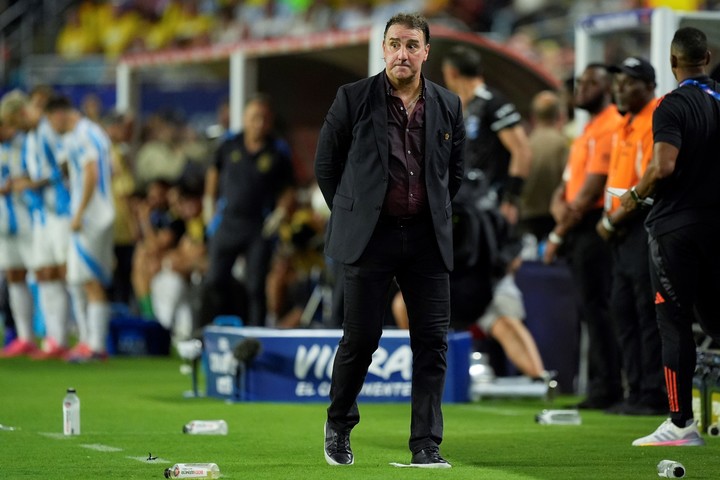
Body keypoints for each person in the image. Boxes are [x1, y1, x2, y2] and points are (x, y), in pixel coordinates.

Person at [315, 13, 464, 468]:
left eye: (412, 45)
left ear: (426, 52)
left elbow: (453, 174)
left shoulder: (449, 105)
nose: (403, 53)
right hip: (370, 239)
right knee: (361, 339)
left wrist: (425, 208)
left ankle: (426, 443)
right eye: (395, 44)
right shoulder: (352, 98)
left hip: (426, 239)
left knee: (432, 343)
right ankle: (339, 425)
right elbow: (327, 166)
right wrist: (356, 212)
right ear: (383, 49)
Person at [623, 27, 719, 447]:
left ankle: (681, 424)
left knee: (674, 323)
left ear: (673, 62)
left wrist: (633, 195)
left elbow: (662, 166)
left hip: (676, 228)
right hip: (719, 227)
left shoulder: (672, 104)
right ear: (709, 57)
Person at [543, 64, 624, 410]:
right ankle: (600, 385)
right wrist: (558, 204)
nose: (581, 88)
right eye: (580, 82)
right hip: (577, 224)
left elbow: (592, 186)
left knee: (598, 308)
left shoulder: (609, 125)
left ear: (607, 89)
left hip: (591, 225)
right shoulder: (586, 128)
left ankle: (607, 387)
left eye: (591, 83)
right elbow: (568, 181)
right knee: (590, 308)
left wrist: (558, 232)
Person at [596, 57, 665, 416]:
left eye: (629, 82)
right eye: (618, 81)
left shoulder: (656, 117)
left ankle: (652, 393)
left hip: (642, 222)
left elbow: (653, 177)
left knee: (644, 310)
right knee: (623, 310)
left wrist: (615, 219)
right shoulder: (626, 123)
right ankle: (635, 389)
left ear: (650, 86)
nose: (619, 88)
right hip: (621, 229)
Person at [201, 95, 295, 328]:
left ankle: (255, 333)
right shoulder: (228, 145)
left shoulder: (277, 151)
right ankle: (211, 329)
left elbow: (289, 190)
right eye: (254, 118)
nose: (259, 124)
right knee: (214, 280)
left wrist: (279, 215)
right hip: (227, 222)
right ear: (244, 119)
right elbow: (212, 177)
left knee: (256, 285)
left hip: (258, 226)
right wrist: (209, 209)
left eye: (263, 119)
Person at [0, 89, 72, 359]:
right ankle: (30, 337)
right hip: (22, 217)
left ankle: (62, 337)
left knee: (57, 272)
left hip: (40, 213)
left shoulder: (41, 133)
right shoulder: (31, 135)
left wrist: (25, 183)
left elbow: (60, 167)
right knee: (29, 274)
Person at [44, 95, 115, 362]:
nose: (52, 127)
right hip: (91, 213)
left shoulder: (85, 134)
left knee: (90, 280)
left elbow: (91, 173)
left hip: (92, 217)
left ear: (60, 114)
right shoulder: (84, 133)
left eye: (52, 120)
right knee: (76, 279)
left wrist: (80, 211)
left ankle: (96, 345)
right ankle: (87, 340)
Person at [441, 44, 531, 226]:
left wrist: (511, 200)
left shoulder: (493, 103)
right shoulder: (459, 107)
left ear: (451, 72)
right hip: (464, 200)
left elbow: (522, 152)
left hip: (491, 202)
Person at [519, 90, 568, 241]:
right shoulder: (562, 143)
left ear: (533, 117)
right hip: (553, 215)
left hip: (528, 214)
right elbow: (567, 179)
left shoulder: (525, 144)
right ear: (558, 116)